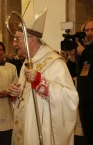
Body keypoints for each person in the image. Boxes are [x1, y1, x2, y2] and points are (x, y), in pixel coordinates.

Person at [7, 8, 79, 145]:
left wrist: (41, 82)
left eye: (18, 38)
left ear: (32, 40)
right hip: (25, 127)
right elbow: (24, 96)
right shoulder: (27, 63)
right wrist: (15, 93)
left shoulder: (55, 62)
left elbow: (70, 99)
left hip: (41, 130)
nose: (14, 43)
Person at [0, 42, 18, 145]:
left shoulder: (11, 67)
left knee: (8, 135)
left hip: (8, 105)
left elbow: (16, 83)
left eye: (1, 50)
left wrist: (10, 91)